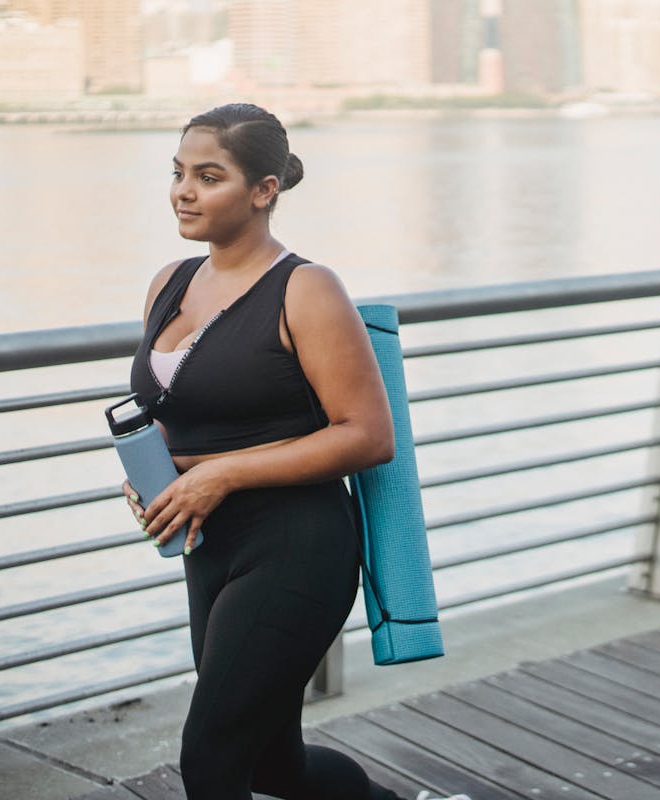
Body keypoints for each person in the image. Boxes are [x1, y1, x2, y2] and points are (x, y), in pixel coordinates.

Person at [123, 102, 469, 800]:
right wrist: (155, 475)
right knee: (270, 764)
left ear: (263, 190)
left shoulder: (307, 289)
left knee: (211, 757)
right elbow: (178, 410)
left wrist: (219, 475)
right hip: (206, 547)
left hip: (296, 547)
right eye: (179, 172)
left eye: (209, 176)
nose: (184, 191)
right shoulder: (170, 283)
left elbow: (366, 435)